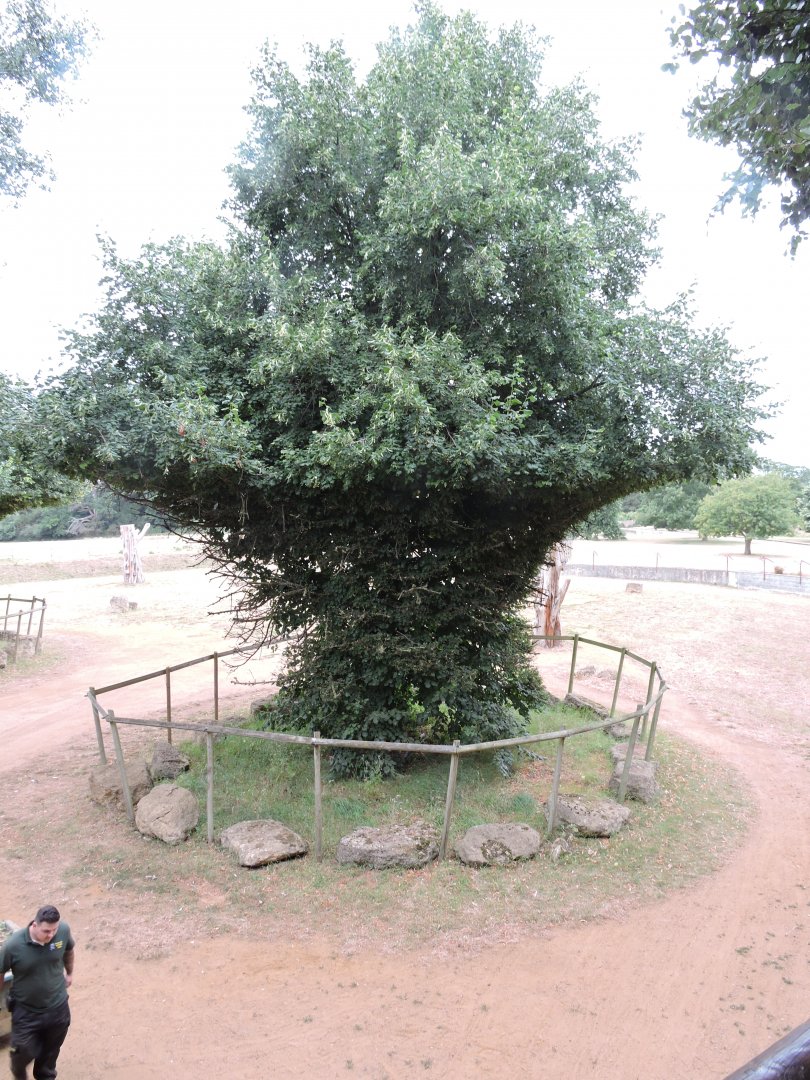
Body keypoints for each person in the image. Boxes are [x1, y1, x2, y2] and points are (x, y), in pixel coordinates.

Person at [0, 906, 74, 1080]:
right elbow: (1, 973)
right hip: (26, 1011)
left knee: (50, 1052)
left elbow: (69, 950)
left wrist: (69, 973)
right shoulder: (13, 945)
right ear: (34, 925)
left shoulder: (62, 931)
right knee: (21, 1053)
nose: (51, 935)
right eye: (46, 931)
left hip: (58, 1008)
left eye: (54, 930)